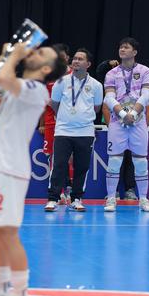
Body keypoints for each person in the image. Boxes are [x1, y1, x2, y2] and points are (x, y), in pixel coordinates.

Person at [0, 42, 67, 296]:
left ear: (46, 68)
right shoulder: (19, 84)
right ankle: (0, 290)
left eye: (40, 54)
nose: (33, 53)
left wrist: (13, 53)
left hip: (11, 169)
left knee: (8, 232)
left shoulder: (36, 90)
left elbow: (3, 78)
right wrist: (5, 54)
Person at [45, 49, 103, 212]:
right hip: (63, 130)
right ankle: (53, 198)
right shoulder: (61, 82)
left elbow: (97, 108)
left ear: (88, 64)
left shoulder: (96, 85)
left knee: (82, 166)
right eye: (75, 58)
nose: (76, 61)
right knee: (59, 165)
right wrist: (66, 118)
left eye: (80, 59)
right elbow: (54, 104)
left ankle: (77, 198)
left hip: (85, 132)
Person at [102, 38, 149, 213]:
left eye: (126, 47)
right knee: (114, 160)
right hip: (118, 122)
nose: (122, 49)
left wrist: (133, 114)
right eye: (120, 47)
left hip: (138, 123)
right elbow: (109, 98)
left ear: (135, 52)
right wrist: (124, 114)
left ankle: (143, 199)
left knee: (140, 162)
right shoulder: (111, 73)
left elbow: (146, 95)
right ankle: (111, 198)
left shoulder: (144, 71)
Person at [40, 44, 73, 203]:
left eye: (63, 55)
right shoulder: (48, 75)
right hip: (51, 122)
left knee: (71, 158)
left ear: (67, 57)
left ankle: (70, 192)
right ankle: (57, 192)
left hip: (71, 122)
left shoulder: (75, 75)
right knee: (53, 158)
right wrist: (42, 124)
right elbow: (43, 102)